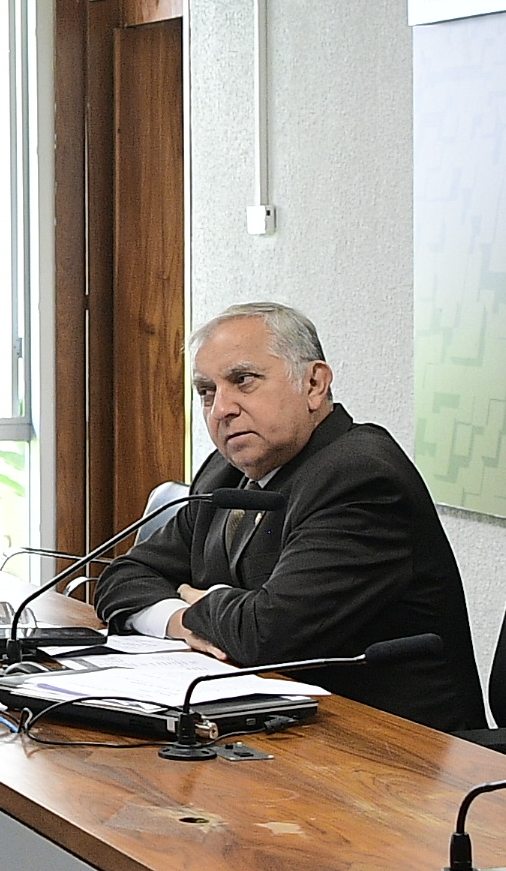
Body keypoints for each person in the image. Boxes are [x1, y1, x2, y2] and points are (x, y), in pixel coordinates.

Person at [94, 301, 486, 730]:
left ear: (314, 383)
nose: (220, 409)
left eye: (243, 381)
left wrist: (198, 600)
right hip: (278, 732)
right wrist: (178, 620)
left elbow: (266, 634)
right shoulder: (224, 472)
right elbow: (122, 578)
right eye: (207, 391)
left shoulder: (361, 477)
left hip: (397, 754)